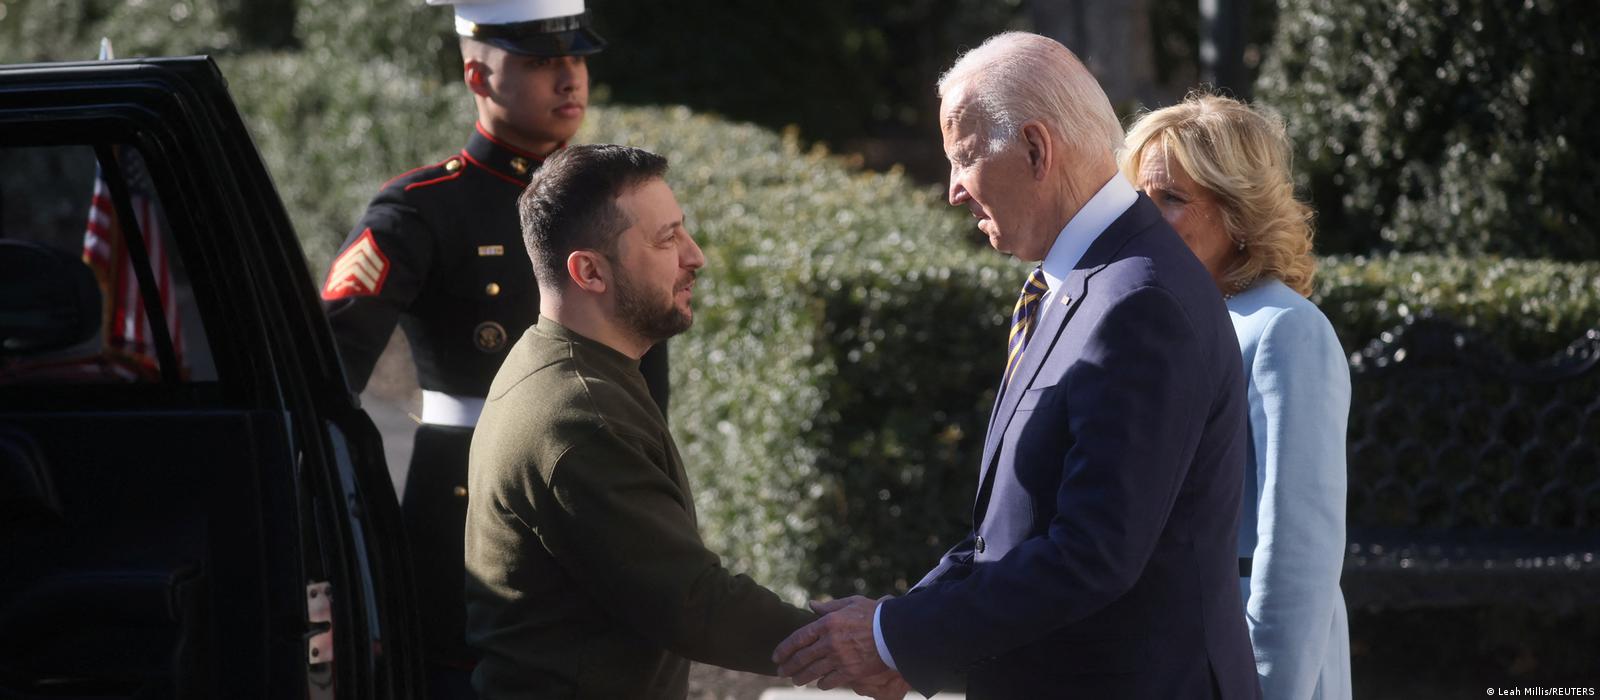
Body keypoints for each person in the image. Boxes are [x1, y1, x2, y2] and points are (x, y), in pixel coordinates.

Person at [772, 32, 1260, 699]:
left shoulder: (1140, 299)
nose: (952, 191)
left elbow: (1092, 554)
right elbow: (1010, 531)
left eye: (964, 159)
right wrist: (898, 635)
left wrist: (892, 637)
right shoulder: (1083, 281)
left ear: (1035, 148)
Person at [317, 1, 669, 695]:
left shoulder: (625, 199)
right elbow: (329, 364)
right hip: (470, 506)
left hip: (613, 499)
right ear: (478, 73)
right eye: (540, 63)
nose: (568, 80)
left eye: (574, 58)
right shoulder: (423, 207)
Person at [464, 144, 816, 699]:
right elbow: (693, 605)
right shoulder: (579, 416)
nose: (694, 256)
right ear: (589, 271)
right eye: (666, 239)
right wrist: (853, 644)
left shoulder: (563, 365)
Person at [1122, 94, 1352, 700]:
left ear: (1240, 216)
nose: (1145, 220)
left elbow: (1298, 548)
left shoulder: (1284, 328)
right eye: (1138, 200)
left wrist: (1268, 689)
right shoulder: (1158, 320)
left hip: (1246, 661)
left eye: (1170, 199)